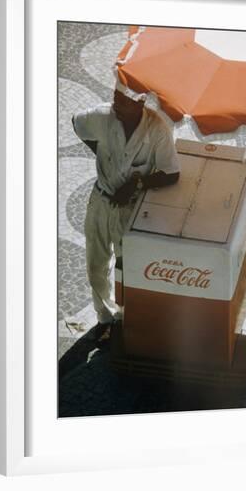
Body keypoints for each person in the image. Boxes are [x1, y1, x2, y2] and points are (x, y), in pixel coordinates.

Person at [72, 84, 180, 341]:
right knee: (95, 265)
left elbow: (172, 173)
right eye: (115, 99)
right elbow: (76, 122)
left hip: (131, 209)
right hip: (100, 200)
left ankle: (128, 317)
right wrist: (99, 151)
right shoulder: (103, 116)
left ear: (140, 103)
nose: (116, 106)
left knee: (129, 267)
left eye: (123, 102)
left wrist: (137, 183)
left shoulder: (157, 130)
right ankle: (105, 316)